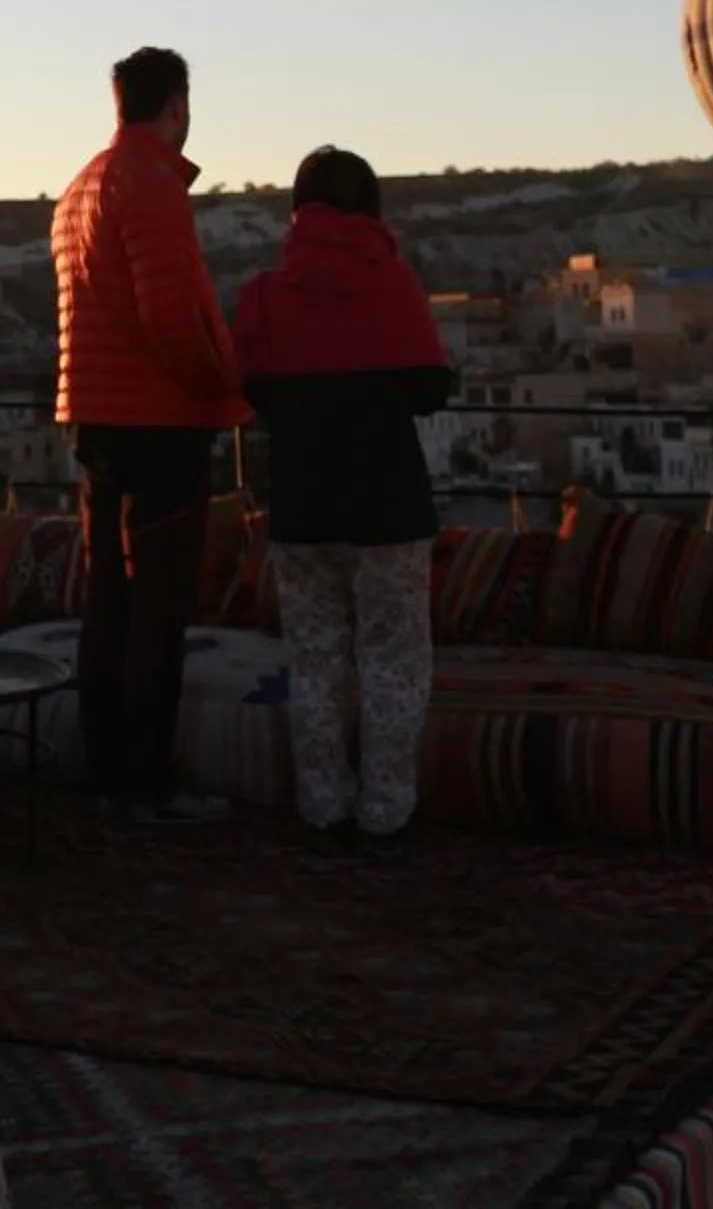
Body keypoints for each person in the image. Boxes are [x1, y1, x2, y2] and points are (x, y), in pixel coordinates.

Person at [230, 146, 453, 850]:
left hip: (303, 506)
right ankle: (386, 812)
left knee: (315, 661)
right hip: (389, 508)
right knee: (394, 663)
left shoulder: (264, 294)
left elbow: (250, 388)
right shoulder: (394, 283)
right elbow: (429, 389)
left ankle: (324, 807)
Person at [52, 47, 251, 824]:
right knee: (157, 610)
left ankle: (108, 771)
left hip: (96, 417)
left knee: (108, 602)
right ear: (177, 106)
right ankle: (147, 783)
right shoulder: (152, 184)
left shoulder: (81, 188)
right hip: (159, 424)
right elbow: (170, 316)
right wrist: (228, 384)